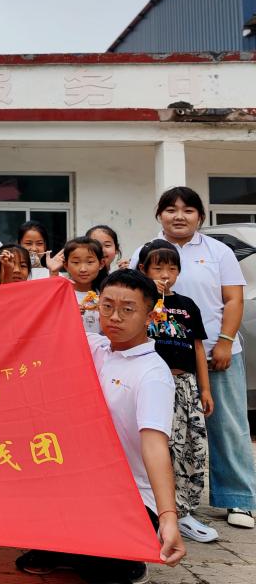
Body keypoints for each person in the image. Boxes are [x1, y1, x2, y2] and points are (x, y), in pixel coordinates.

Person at [16, 269, 186, 581]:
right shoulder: (93, 346)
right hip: (80, 482)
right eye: (107, 306)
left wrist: (168, 517)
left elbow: (154, 446)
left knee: (102, 569)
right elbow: (31, 328)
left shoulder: (152, 374)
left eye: (128, 309)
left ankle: (124, 557)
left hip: (130, 495)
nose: (115, 317)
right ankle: (67, 544)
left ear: (150, 317)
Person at [130, 186, 254, 530]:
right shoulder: (145, 250)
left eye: (188, 210)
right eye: (171, 209)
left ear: (200, 216)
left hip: (215, 352)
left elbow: (233, 299)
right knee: (166, 430)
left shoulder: (218, 251)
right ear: (160, 215)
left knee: (227, 426)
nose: (179, 216)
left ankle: (237, 499)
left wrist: (225, 341)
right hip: (160, 361)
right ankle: (164, 499)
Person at [137, 239, 217, 542]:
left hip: (185, 385)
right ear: (144, 270)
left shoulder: (187, 304)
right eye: (158, 268)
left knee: (190, 447)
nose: (165, 274)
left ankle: (182, 512)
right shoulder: (142, 303)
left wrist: (204, 389)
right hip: (153, 384)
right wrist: (151, 299)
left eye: (172, 268)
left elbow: (198, 347)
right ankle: (150, 511)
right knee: (157, 445)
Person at [48, 237, 105, 333]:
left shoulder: (106, 295)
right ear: (66, 265)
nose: (83, 269)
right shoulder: (61, 293)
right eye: (76, 262)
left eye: (90, 262)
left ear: (101, 264)